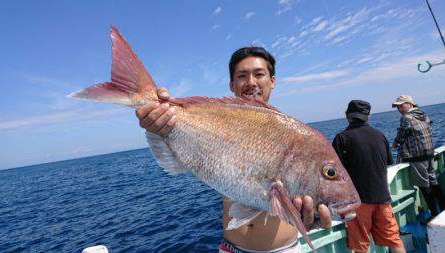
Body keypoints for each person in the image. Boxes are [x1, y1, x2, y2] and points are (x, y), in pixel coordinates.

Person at [135, 47, 332, 252]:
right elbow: (180, 156)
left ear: (272, 80)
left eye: (259, 74)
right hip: (231, 248)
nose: (251, 82)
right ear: (231, 84)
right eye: (242, 76)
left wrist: (314, 218)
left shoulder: (295, 136)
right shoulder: (216, 121)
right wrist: (160, 120)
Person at [332, 100, 405, 253]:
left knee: (360, 247)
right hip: (383, 198)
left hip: (359, 202)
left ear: (347, 116)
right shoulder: (380, 135)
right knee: (395, 240)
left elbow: (334, 176)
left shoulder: (341, 138)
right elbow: (387, 164)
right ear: (368, 116)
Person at [392, 95, 445, 218]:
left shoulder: (406, 118)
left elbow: (402, 135)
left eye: (401, 105)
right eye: (397, 106)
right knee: (433, 181)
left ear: (410, 104)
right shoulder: (422, 114)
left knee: (424, 185)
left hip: (416, 156)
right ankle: (442, 208)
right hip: (429, 153)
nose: (399, 108)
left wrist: (395, 141)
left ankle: (435, 214)